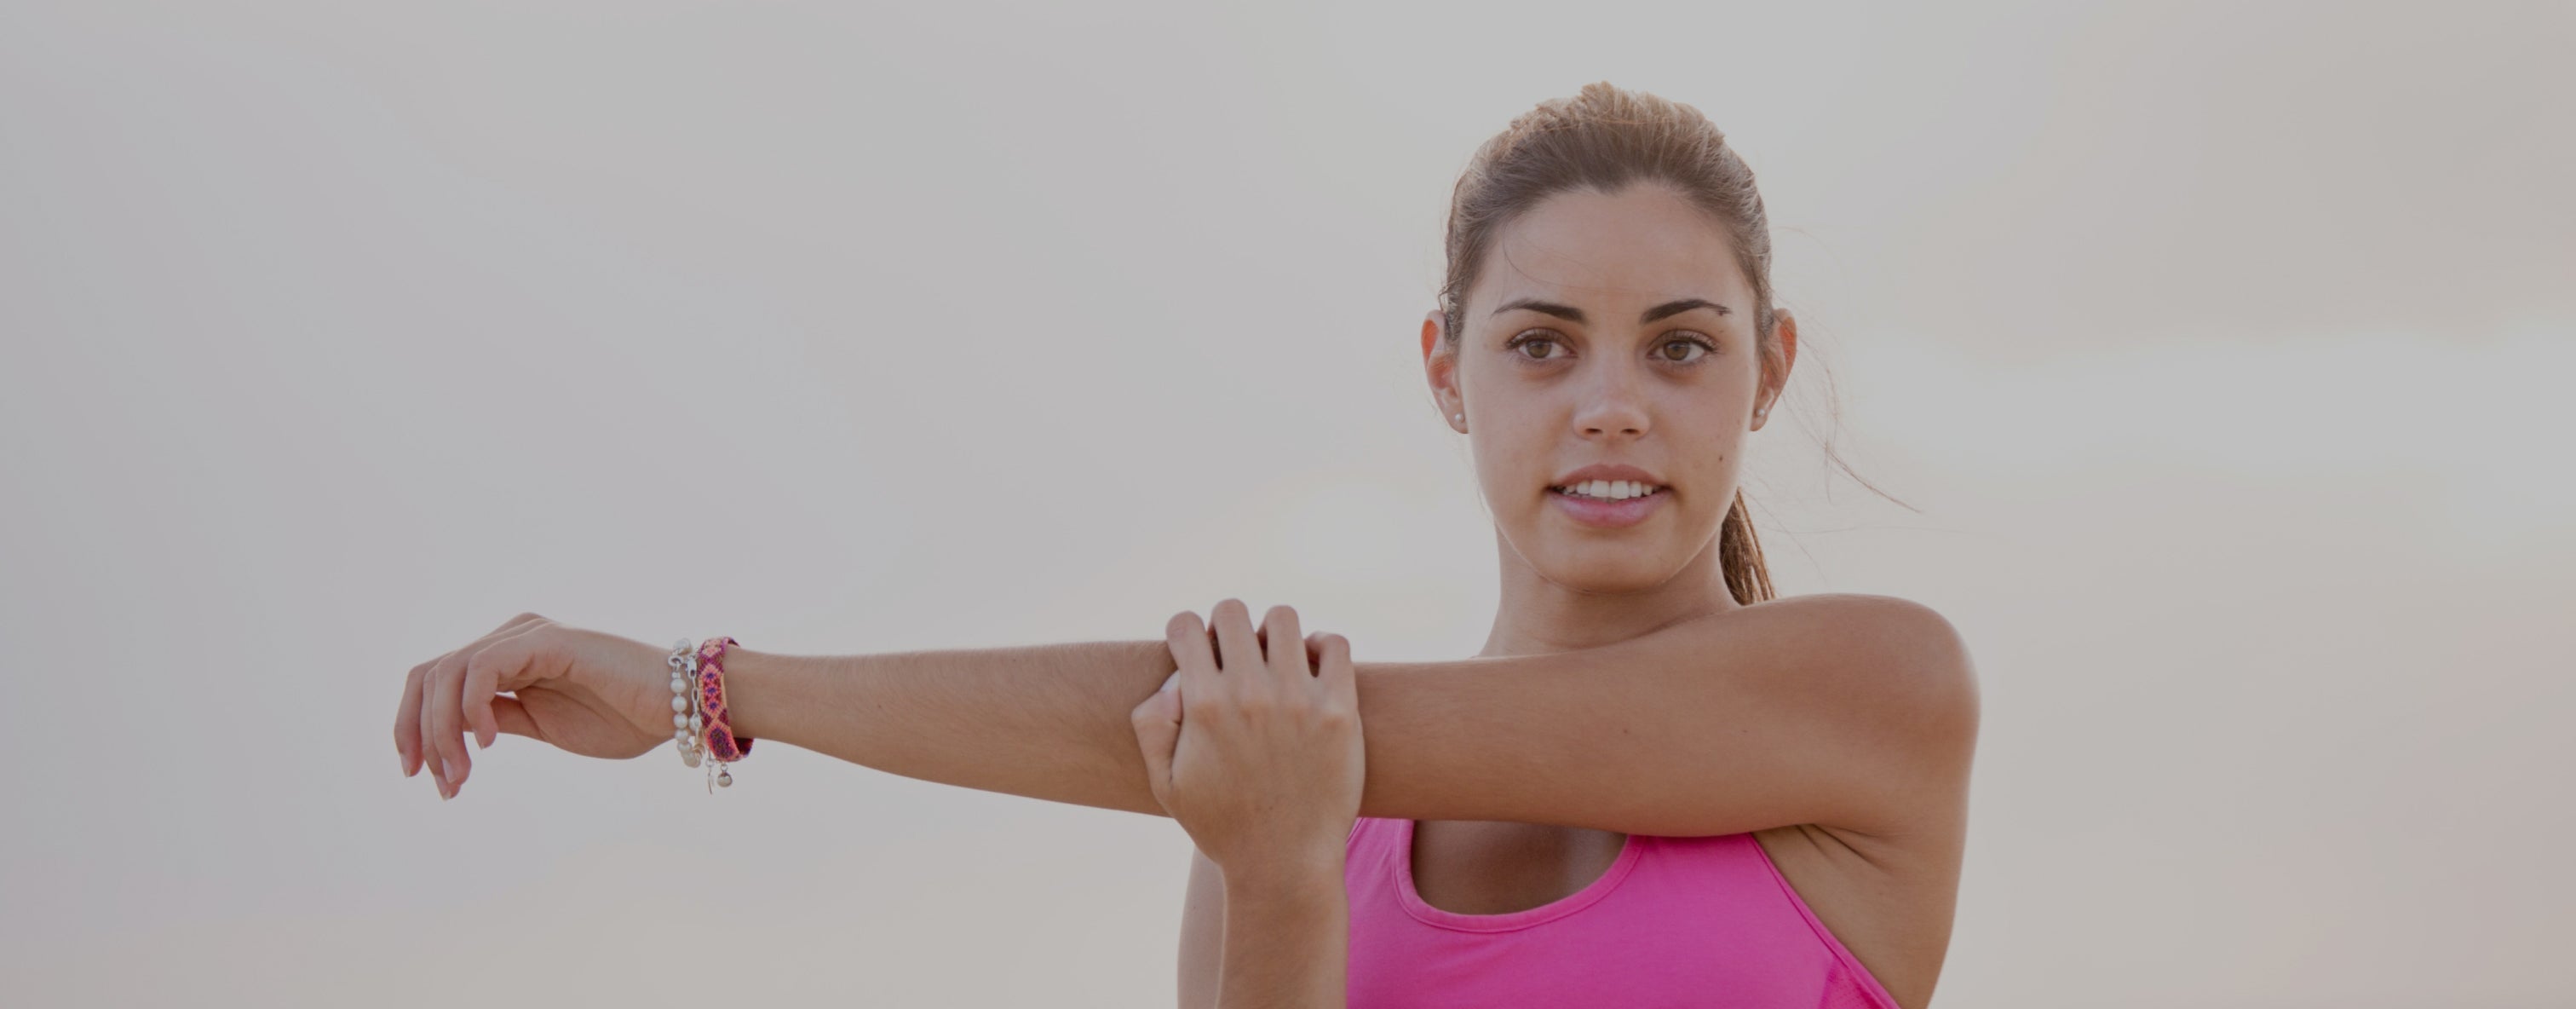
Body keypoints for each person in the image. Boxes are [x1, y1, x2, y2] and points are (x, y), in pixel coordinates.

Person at [391, 81, 1979, 1009]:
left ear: (1770, 370)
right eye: (1546, 345)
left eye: (1683, 348)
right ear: (1446, 368)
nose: (1614, 407)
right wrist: (1282, 877)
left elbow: (1324, 730)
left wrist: (701, 684)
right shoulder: (1282, 792)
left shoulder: (1876, 694)